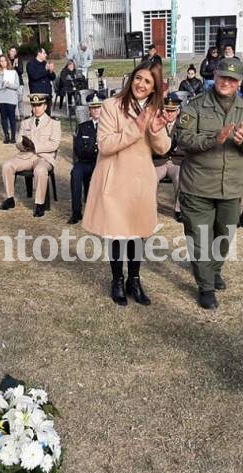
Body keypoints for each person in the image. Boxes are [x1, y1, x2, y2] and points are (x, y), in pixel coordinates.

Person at [176, 57, 243, 310]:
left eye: (232, 79)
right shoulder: (195, 106)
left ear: (239, 82)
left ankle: (213, 270)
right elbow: (182, 139)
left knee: (224, 236)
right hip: (198, 185)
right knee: (200, 237)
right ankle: (205, 285)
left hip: (230, 186)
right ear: (214, 76)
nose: (226, 82)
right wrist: (213, 139)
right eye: (222, 77)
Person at [82, 61, 176, 306]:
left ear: (154, 87)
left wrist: (155, 130)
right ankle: (117, 280)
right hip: (114, 179)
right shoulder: (111, 105)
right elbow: (105, 145)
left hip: (140, 181)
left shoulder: (155, 110)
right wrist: (137, 127)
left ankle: (134, 279)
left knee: (138, 233)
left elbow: (164, 148)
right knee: (116, 234)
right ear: (131, 78)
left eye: (148, 81)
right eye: (138, 78)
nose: (141, 85)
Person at [0, 94, 61, 217]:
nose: (36, 108)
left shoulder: (54, 123)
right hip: (26, 156)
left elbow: (54, 144)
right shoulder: (26, 122)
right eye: (34, 105)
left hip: (44, 157)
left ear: (45, 106)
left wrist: (35, 147)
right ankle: (10, 198)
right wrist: (24, 145)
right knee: (7, 165)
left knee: (40, 170)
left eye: (39, 105)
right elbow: (18, 142)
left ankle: (39, 204)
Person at [68, 94, 102, 224]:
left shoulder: (108, 126)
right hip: (86, 162)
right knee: (75, 173)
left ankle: (98, 212)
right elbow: (78, 148)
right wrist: (92, 150)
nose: (96, 110)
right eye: (93, 108)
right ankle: (76, 212)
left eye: (99, 107)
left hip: (101, 163)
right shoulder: (83, 127)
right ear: (89, 111)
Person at [154, 94, 184, 222]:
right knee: (151, 179)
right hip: (160, 160)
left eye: (173, 111)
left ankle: (178, 209)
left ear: (178, 111)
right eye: (167, 110)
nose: (170, 114)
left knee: (179, 177)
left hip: (176, 161)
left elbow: (186, 144)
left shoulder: (184, 124)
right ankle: (151, 208)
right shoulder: (157, 123)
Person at [0, 54, 19, 144]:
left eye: (4, 60)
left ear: (7, 61)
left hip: (11, 98)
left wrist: (8, 85)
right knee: (3, 117)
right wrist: (2, 85)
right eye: (1, 61)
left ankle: (13, 137)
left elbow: (16, 85)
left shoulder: (13, 72)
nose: (3, 62)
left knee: (12, 118)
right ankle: (6, 135)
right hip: (0, 99)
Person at [26, 47, 57, 116]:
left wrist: (51, 71)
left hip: (47, 93)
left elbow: (52, 77)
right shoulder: (31, 64)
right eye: (44, 53)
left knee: (47, 113)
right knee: (37, 114)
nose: (46, 55)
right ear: (39, 54)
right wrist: (45, 70)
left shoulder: (45, 63)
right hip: (37, 94)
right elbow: (34, 76)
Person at [8, 46, 25, 119]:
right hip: (10, 83)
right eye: (12, 51)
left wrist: (16, 65)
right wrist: (13, 66)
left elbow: (21, 71)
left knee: (20, 100)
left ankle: (21, 115)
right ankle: (15, 116)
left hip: (19, 83)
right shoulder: (7, 60)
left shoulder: (18, 60)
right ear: (9, 51)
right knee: (12, 100)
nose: (13, 53)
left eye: (14, 51)